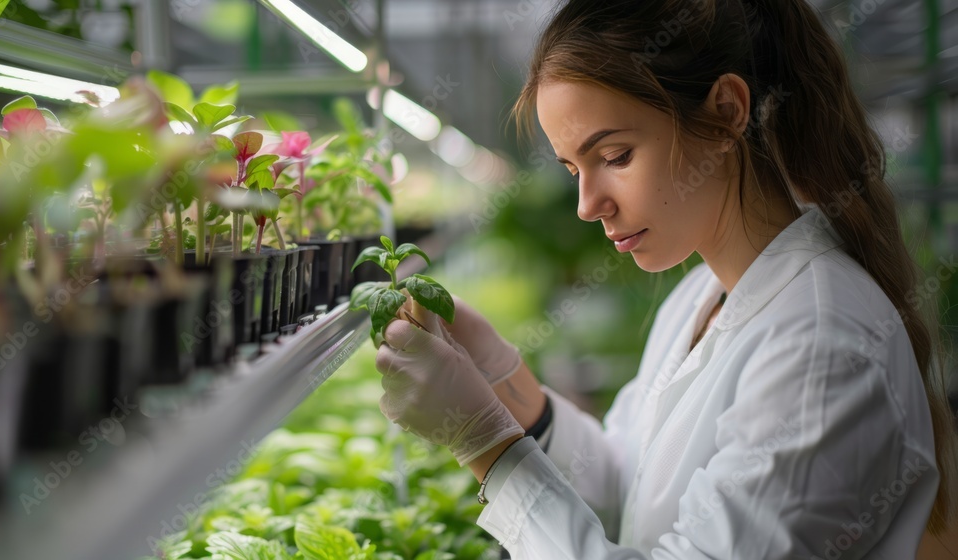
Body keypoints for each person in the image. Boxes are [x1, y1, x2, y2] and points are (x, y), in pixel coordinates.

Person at [374, 0, 958, 557]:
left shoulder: (823, 347)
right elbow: (630, 485)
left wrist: (485, 443)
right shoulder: (702, 295)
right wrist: (505, 381)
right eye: (574, 168)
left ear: (727, 111)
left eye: (616, 155)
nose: (586, 204)